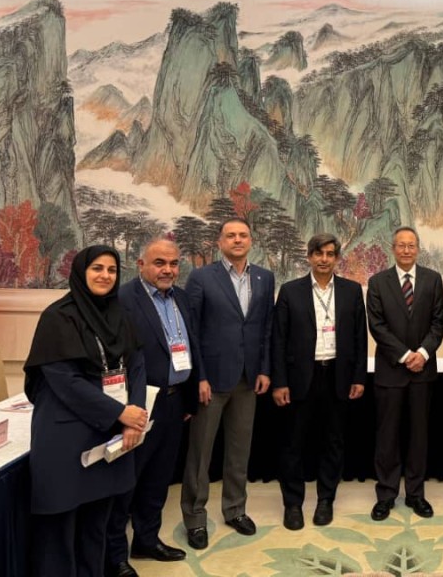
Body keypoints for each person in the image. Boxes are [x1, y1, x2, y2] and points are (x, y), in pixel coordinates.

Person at [24, 246, 147, 577]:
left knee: (96, 526)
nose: (105, 275)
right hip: (67, 437)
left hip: (109, 435)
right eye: (97, 268)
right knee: (60, 530)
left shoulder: (120, 315)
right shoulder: (58, 317)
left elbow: (137, 366)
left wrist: (135, 417)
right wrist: (121, 414)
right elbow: (66, 382)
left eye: (112, 270)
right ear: (80, 272)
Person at [105, 239, 198, 577]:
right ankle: (114, 555)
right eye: (160, 263)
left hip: (174, 402)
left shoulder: (181, 298)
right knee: (126, 483)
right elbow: (115, 358)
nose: (168, 270)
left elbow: (191, 345)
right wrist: (125, 409)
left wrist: (188, 396)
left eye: (173, 263)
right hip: (138, 405)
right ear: (141, 263)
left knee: (158, 479)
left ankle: (146, 540)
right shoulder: (123, 299)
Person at [180, 218, 274, 549]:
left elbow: (266, 327)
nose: (237, 240)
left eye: (243, 235)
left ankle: (235, 509)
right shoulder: (201, 277)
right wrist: (199, 376)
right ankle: (195, 517)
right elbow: (191, 331)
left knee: (239, 450)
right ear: (219, 242)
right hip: (211, 380)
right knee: (200, 453)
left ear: (251, 240)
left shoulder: (264, 277)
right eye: (231, 235)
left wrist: (265, 369)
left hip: (248, 379)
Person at [272, 233, 367, 529]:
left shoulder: (352, 291)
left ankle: (326, 500)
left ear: (337, 258)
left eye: (329, 254)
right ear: (310, 256)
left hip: (337, 375)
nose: (324, 259)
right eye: (318, 253)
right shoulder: (290, 291)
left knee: (333, 442)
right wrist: (280, 382)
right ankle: (292, 504)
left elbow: (360, 337)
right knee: (293, 443)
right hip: (300, 378)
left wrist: (359, 377)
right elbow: (278, 339)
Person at [366, 227, 443, 521]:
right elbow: (377, 326)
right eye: (401, 245)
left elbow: (438, 322)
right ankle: (386, 494)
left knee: (418, 436)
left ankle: (415, 494)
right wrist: (404, 355)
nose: (406, 250)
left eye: (411, 245)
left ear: (418, 248)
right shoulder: (378, 282)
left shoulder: (433, 279)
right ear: (393, 248)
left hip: (423, 372)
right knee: (387, 436)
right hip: (390, 370)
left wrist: (422, 354)